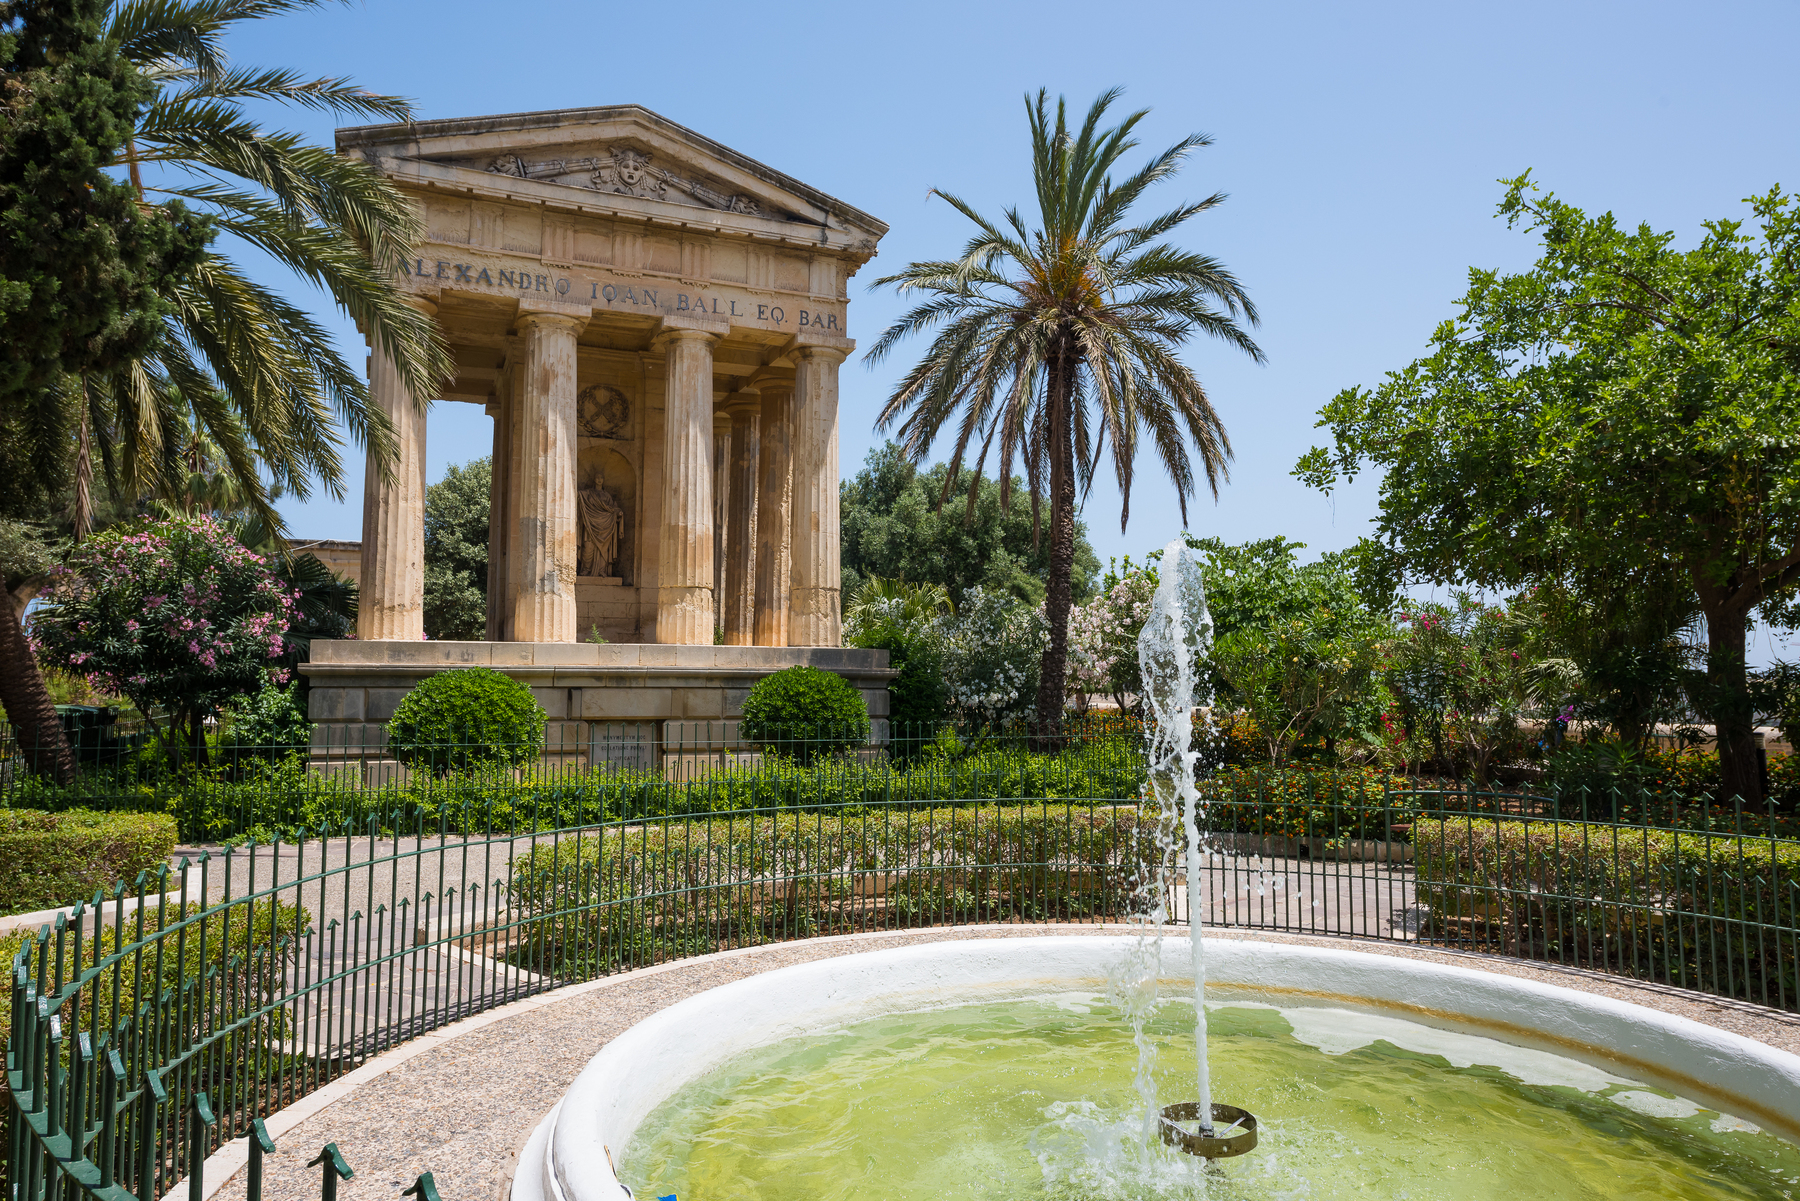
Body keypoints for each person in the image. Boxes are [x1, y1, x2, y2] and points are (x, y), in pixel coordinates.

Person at [579, 482, 624, 577]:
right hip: (590, 523)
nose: (599, 479)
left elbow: (612, 508)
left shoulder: (607, 496)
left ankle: (601, 570)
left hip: (605, 527)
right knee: (588, 548)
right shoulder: (589, 493)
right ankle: (586, 569)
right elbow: (580, 494)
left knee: (604, 550)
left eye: (601, 477)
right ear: (594, 479)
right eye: (597, 477)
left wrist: (618, 512)